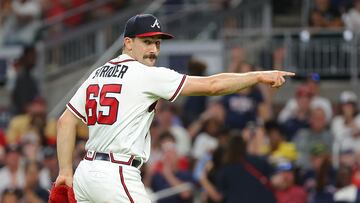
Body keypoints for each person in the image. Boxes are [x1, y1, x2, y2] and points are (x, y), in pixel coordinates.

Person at [54, 14, 295, 202]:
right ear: (128, 43)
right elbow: (212, 85)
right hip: (116, 173)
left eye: (157, 43)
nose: (153, 50)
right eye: (146, 42)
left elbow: (65, 121)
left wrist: (65, 170)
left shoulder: (98, 73)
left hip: (86, 172)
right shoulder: (146, 75)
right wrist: (257, 76)